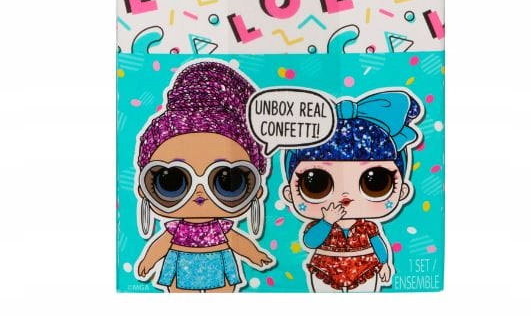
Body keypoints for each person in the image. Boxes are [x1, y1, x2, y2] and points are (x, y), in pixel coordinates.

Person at [135, 61, 273, 292]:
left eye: (227, 182)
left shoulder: (222, 229)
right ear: (144, 189)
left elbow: (239, 242)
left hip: (219, 265)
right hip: (181, 266)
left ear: (256, 190)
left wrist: (255, 254)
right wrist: (148, 262)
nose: (200, 195)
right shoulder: (176, 231)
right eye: (172, 182)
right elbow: (160, 245)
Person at [282, 90, 423, 292]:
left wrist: (384, 264)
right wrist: (326, 222)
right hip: (325, 269)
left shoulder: (368, 227)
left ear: (403, 191)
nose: (345, 196)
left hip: (366, 268)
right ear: (289, 193)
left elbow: (379, 245)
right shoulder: (320, 225)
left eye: (375, 183)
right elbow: (310, 242)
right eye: (317, 184)